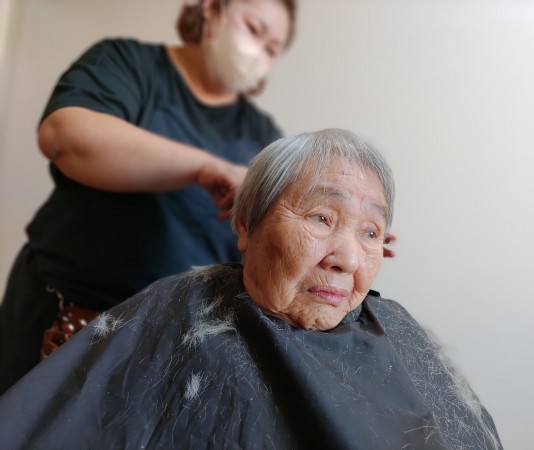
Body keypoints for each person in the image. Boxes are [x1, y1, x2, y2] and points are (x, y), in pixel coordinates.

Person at [0, 129, 503, 450]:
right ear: (247, 224)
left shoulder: (398, 331)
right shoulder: (176, 313)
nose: (347, 258)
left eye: (370, 231)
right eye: (321, 218)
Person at [0, 0, 297, 393]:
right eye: (254, 29)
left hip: (174, 354)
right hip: (66, 322)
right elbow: (64, 137)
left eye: (273, 48)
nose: (258, 51)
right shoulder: (127, 65)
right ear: (211, 9)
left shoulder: (264, 138)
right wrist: (204, 168)